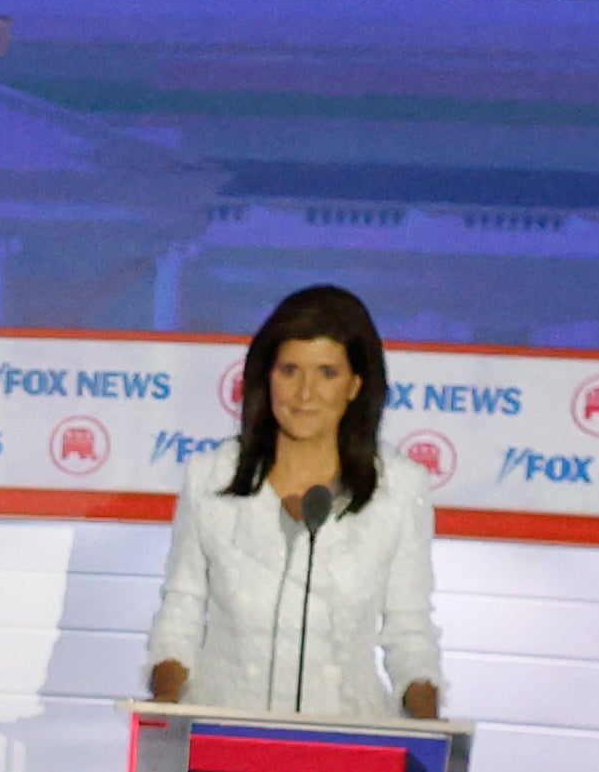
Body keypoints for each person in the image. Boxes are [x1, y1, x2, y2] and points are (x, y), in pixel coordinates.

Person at [143, 282, 446, 720]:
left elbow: (409, 629)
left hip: (344, 740)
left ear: (356, 385)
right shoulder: (212, 476)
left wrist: (431, 730)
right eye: (290, 371)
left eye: (327, 373)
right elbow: (181, 610)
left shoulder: (398, 489)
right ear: (267, 376)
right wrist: (163, 713)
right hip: (223, 735)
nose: (305, 394)